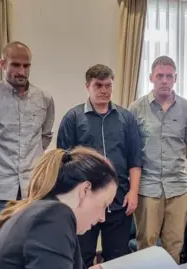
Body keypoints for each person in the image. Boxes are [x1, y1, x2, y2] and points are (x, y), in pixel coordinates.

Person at [57, 64, 142, 267]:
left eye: (108, 85)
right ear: (88, 86)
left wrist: (134, 191)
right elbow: (63, 162)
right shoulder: (73, 118)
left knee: (118, 258)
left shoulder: (126, 118)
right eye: (98, 85)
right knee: (83, 256)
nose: (104, 90)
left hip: (120, 199)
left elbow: (135, 158)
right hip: (85, 202)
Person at [0, 146, 117, 269]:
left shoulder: (44, 213)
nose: (102, 218)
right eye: (104, 205)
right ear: (85, 190)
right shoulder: (53, 217)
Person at [0, 41, 55, 243]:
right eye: (15, 65)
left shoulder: (44, 99)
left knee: (33, 245)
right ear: (3, 64)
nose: (21, 71)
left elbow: (44, 136)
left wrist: (30, 162)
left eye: (26, 66)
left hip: (32, 190)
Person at [128, 55, 187, 264]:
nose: (165, 80)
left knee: (174, 245)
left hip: (177, 188)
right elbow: (131, 148)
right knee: (146, 245)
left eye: (169, 76)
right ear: (151, 77)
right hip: (147, 188)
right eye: (160, 76)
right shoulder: (136, 108)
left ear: (175, 78)